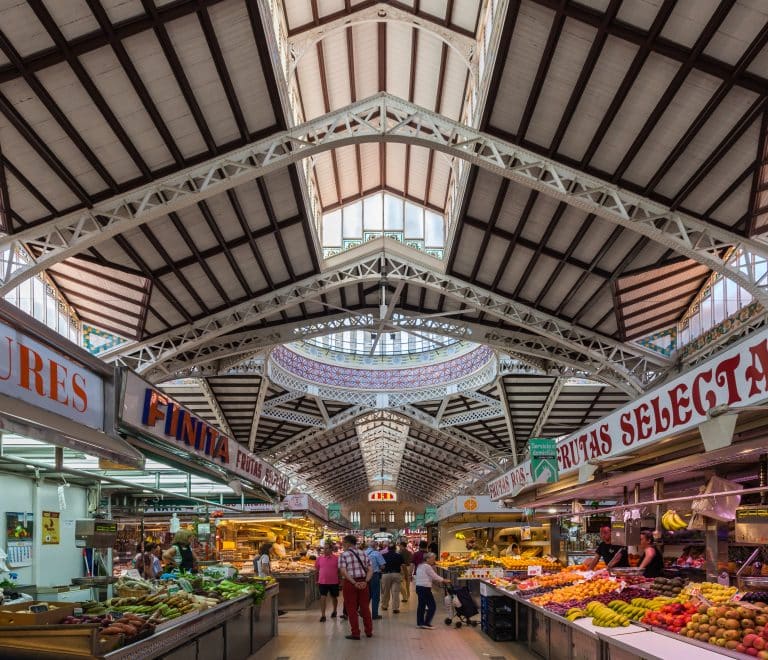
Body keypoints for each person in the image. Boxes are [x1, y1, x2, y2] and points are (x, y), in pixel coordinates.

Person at [338, 535, 373, 640]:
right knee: (365, 607)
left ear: (348, 543)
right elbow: (371, 569)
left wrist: (353, 582)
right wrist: (366, 581)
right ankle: (369, 631)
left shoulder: (343, 555)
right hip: (363, 582)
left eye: (343, 543)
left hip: (350, 583)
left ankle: (356, 633)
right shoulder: (364, 554)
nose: (342, 545)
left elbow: (343, 571)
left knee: (351, 609)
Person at [414, 552, 450, 629]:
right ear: (427, 559)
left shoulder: (420, 565)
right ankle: (427, 623)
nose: (434, 561)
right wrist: (444, 580)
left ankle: (420, 623)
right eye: (433, 559)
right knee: (432, 606)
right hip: (425, 588)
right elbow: (434, 576)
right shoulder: (427, 566)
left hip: (419, 587)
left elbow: (430, 576)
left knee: (421, 606)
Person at [315, 542, 339, 622]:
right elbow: (317, 570)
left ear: (331, 549)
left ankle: (334, 610)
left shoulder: (336, 558)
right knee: (323, 597)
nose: (325, 550)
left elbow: (339, 570)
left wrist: (341, 580)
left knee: (334, 597)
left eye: (327, 548)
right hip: (322, 581)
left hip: (334, 581)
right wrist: (316, 579)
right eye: (324, 548)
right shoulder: (319, 559)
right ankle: (323, 615)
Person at [364, 540, 386, 620]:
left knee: (366, 595)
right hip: (374, 576)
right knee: (375, 596)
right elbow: (382, 566)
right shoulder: (377, 553)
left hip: (364, 576)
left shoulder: (363, 553)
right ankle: (374, 614)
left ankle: (363, 611)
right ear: (376, 546)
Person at [380, 542, 404, 613]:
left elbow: (381, 566)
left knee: (385, 591)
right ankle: (395, 608)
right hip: (396, 574)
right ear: (395, 548)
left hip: (386, 574)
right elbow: (402, 565)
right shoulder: (399, 555)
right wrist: (404, 574)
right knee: (395, 592)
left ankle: (384, 606)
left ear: (388, 549)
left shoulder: (383, 555)